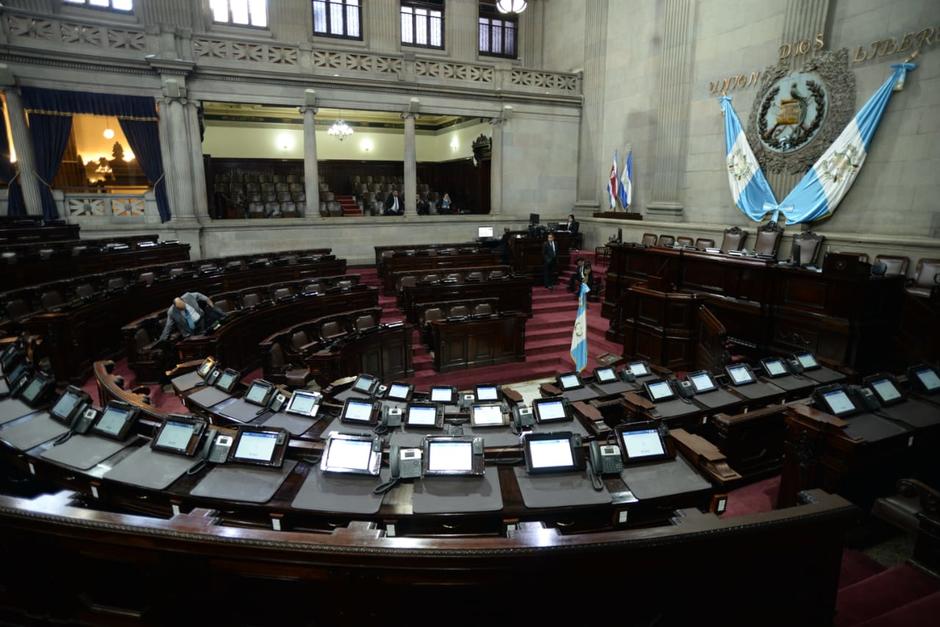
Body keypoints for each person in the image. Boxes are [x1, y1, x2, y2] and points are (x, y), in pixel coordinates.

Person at [159, 292, 224, 341]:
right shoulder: (171, 312)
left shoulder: (189, 296)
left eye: (183, 307)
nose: (183, 309)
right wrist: (162, 340)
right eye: (180, 309)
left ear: (184, 301)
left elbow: (199, 295)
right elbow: (168, 327)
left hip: (202, 322)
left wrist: (208, 301)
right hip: (190, 332)